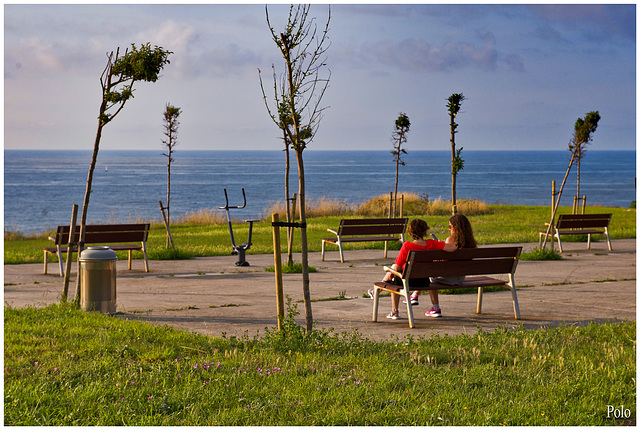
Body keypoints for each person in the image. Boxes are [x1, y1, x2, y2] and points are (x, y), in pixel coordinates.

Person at [369, 218, 455, 320]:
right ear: (425, 231)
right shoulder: (432, 243)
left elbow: (397, 267)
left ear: (411, 232)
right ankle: (378, 292)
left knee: (394, 274)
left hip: (407, 281)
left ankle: (394, 311)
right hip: (423, 281)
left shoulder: (407, 246)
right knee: (395, 272)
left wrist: (390, 271)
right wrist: (441, 243)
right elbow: (453, 248)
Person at [424, 213, 478, 318]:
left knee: (430, 278)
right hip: (461, 278)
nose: (449, 229)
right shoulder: (471, 242)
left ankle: (435, 308)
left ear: (455, 227)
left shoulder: (450, 240)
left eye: (450, 227)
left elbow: (444, 263)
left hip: (447, 279)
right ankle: (415, 296)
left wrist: (441, 248)